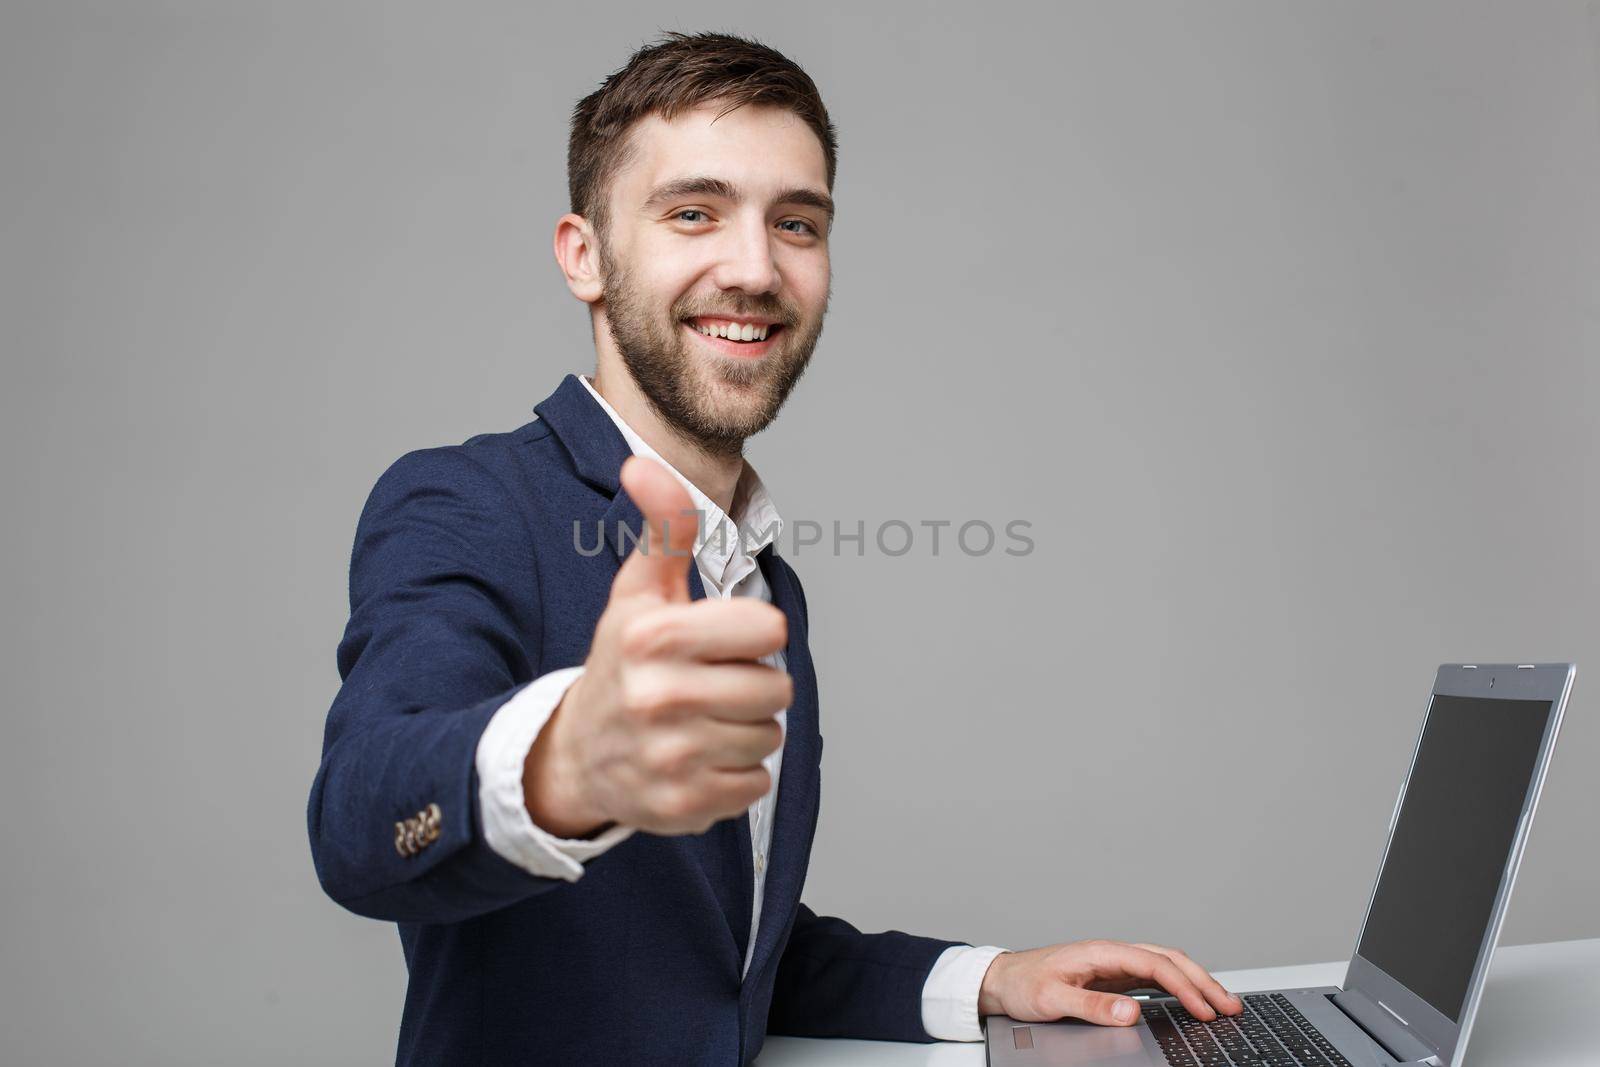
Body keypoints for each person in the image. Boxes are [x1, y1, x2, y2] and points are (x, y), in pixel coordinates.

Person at [306, 29, 1242, 1065]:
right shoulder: (467, 500)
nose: (754, 267)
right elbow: (363, 819)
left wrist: (985, 977)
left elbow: (715, 959)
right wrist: (562, 760)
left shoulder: (761, 578)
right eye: (693, 213)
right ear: (585, 255)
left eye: (796, 223)